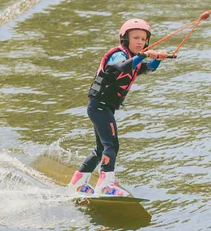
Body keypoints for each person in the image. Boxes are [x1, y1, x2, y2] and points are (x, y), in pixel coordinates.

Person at [68, 18, 169, 197]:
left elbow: (146, 68)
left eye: (143, 39)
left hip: (104, 108)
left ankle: (78, 181)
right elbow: (119, 68)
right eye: (136, 38)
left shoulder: (135, 60)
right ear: (125, 39)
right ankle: (106, 184)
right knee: (111, 145)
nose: (140, 42)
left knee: (101, 149)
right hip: (99, 106)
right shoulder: (119, 55)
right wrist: (142, 55)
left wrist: (157, 59)